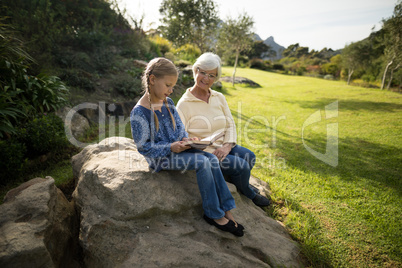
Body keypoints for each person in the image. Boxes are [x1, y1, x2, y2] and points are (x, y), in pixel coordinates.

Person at [130, 57, 244, 236]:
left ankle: (227, 209)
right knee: (202, 162)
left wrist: (187, 140)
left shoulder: (169, 103)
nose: (171, 90)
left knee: (210, 157)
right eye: (168, 85)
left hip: (178, 150)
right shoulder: (140, 111)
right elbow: (143, 147)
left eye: (172, 86)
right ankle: (213, 213)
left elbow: (180, 129)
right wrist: (170, 147)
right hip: (161, 158)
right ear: (152, 80)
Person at [176, 52, 271, 208]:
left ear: (216, 78)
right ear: (195, 71)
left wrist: (227, 146)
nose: (206, 78)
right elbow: (181, 137)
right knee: (242, 166)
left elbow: (230, 123)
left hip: (224, 146)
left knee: (250, 156)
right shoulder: (184, 104)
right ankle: (249, 192)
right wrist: (193, 143)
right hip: (207, 154)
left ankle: (236, 180)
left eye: (212, 75)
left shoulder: (219, 97)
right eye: (203, 72)